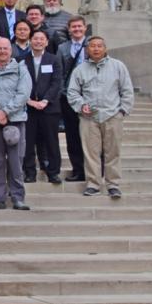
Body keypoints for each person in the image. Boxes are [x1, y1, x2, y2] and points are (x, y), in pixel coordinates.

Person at [67, 36, 134, 198]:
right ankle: (93, 184)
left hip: (112, 115)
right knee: (91, 153)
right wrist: (81, 105)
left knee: (113, 152)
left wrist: (122, 111)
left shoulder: (118, 66)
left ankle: (113, 184)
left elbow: (127, 90)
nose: (96, 49)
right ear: (87, 50)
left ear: (105, 49)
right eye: (92, 46)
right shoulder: (80, 69)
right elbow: (72, 92)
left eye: (99, 46)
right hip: (89, 118)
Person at [0, 38, 33, 211]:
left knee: (16, 161)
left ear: (11, 50)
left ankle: (17, 197)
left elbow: (23, 93)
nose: (2, 51)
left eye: (5, 48)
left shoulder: (21, 70)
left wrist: (6, 111)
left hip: (15, 121)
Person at [22, 29, 63, 185]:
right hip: (29, 108)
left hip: (49, 108)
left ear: (46, 42)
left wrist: (45, 100)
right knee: (28, 141)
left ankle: (53, 172)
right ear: (30, 41)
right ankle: (30, 172)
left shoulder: (53, 60)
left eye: (42, 39)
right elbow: (19, 84)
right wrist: (29, 101)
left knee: (51, 141)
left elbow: (56, 82)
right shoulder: (22, 60)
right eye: (35, 38)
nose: (38, 41)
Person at [57, 16, 90, 182]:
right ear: (69, 30)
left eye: (79, 26)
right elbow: (60, 72)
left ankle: (95, 170)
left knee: (92, 135)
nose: (77, 29)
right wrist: (64, 92)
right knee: (72, 136)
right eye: (73, 27)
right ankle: (78, 169)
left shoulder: (93, 45)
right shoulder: (63, 47)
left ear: (85, 28)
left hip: (90, 98)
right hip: (69, 97)